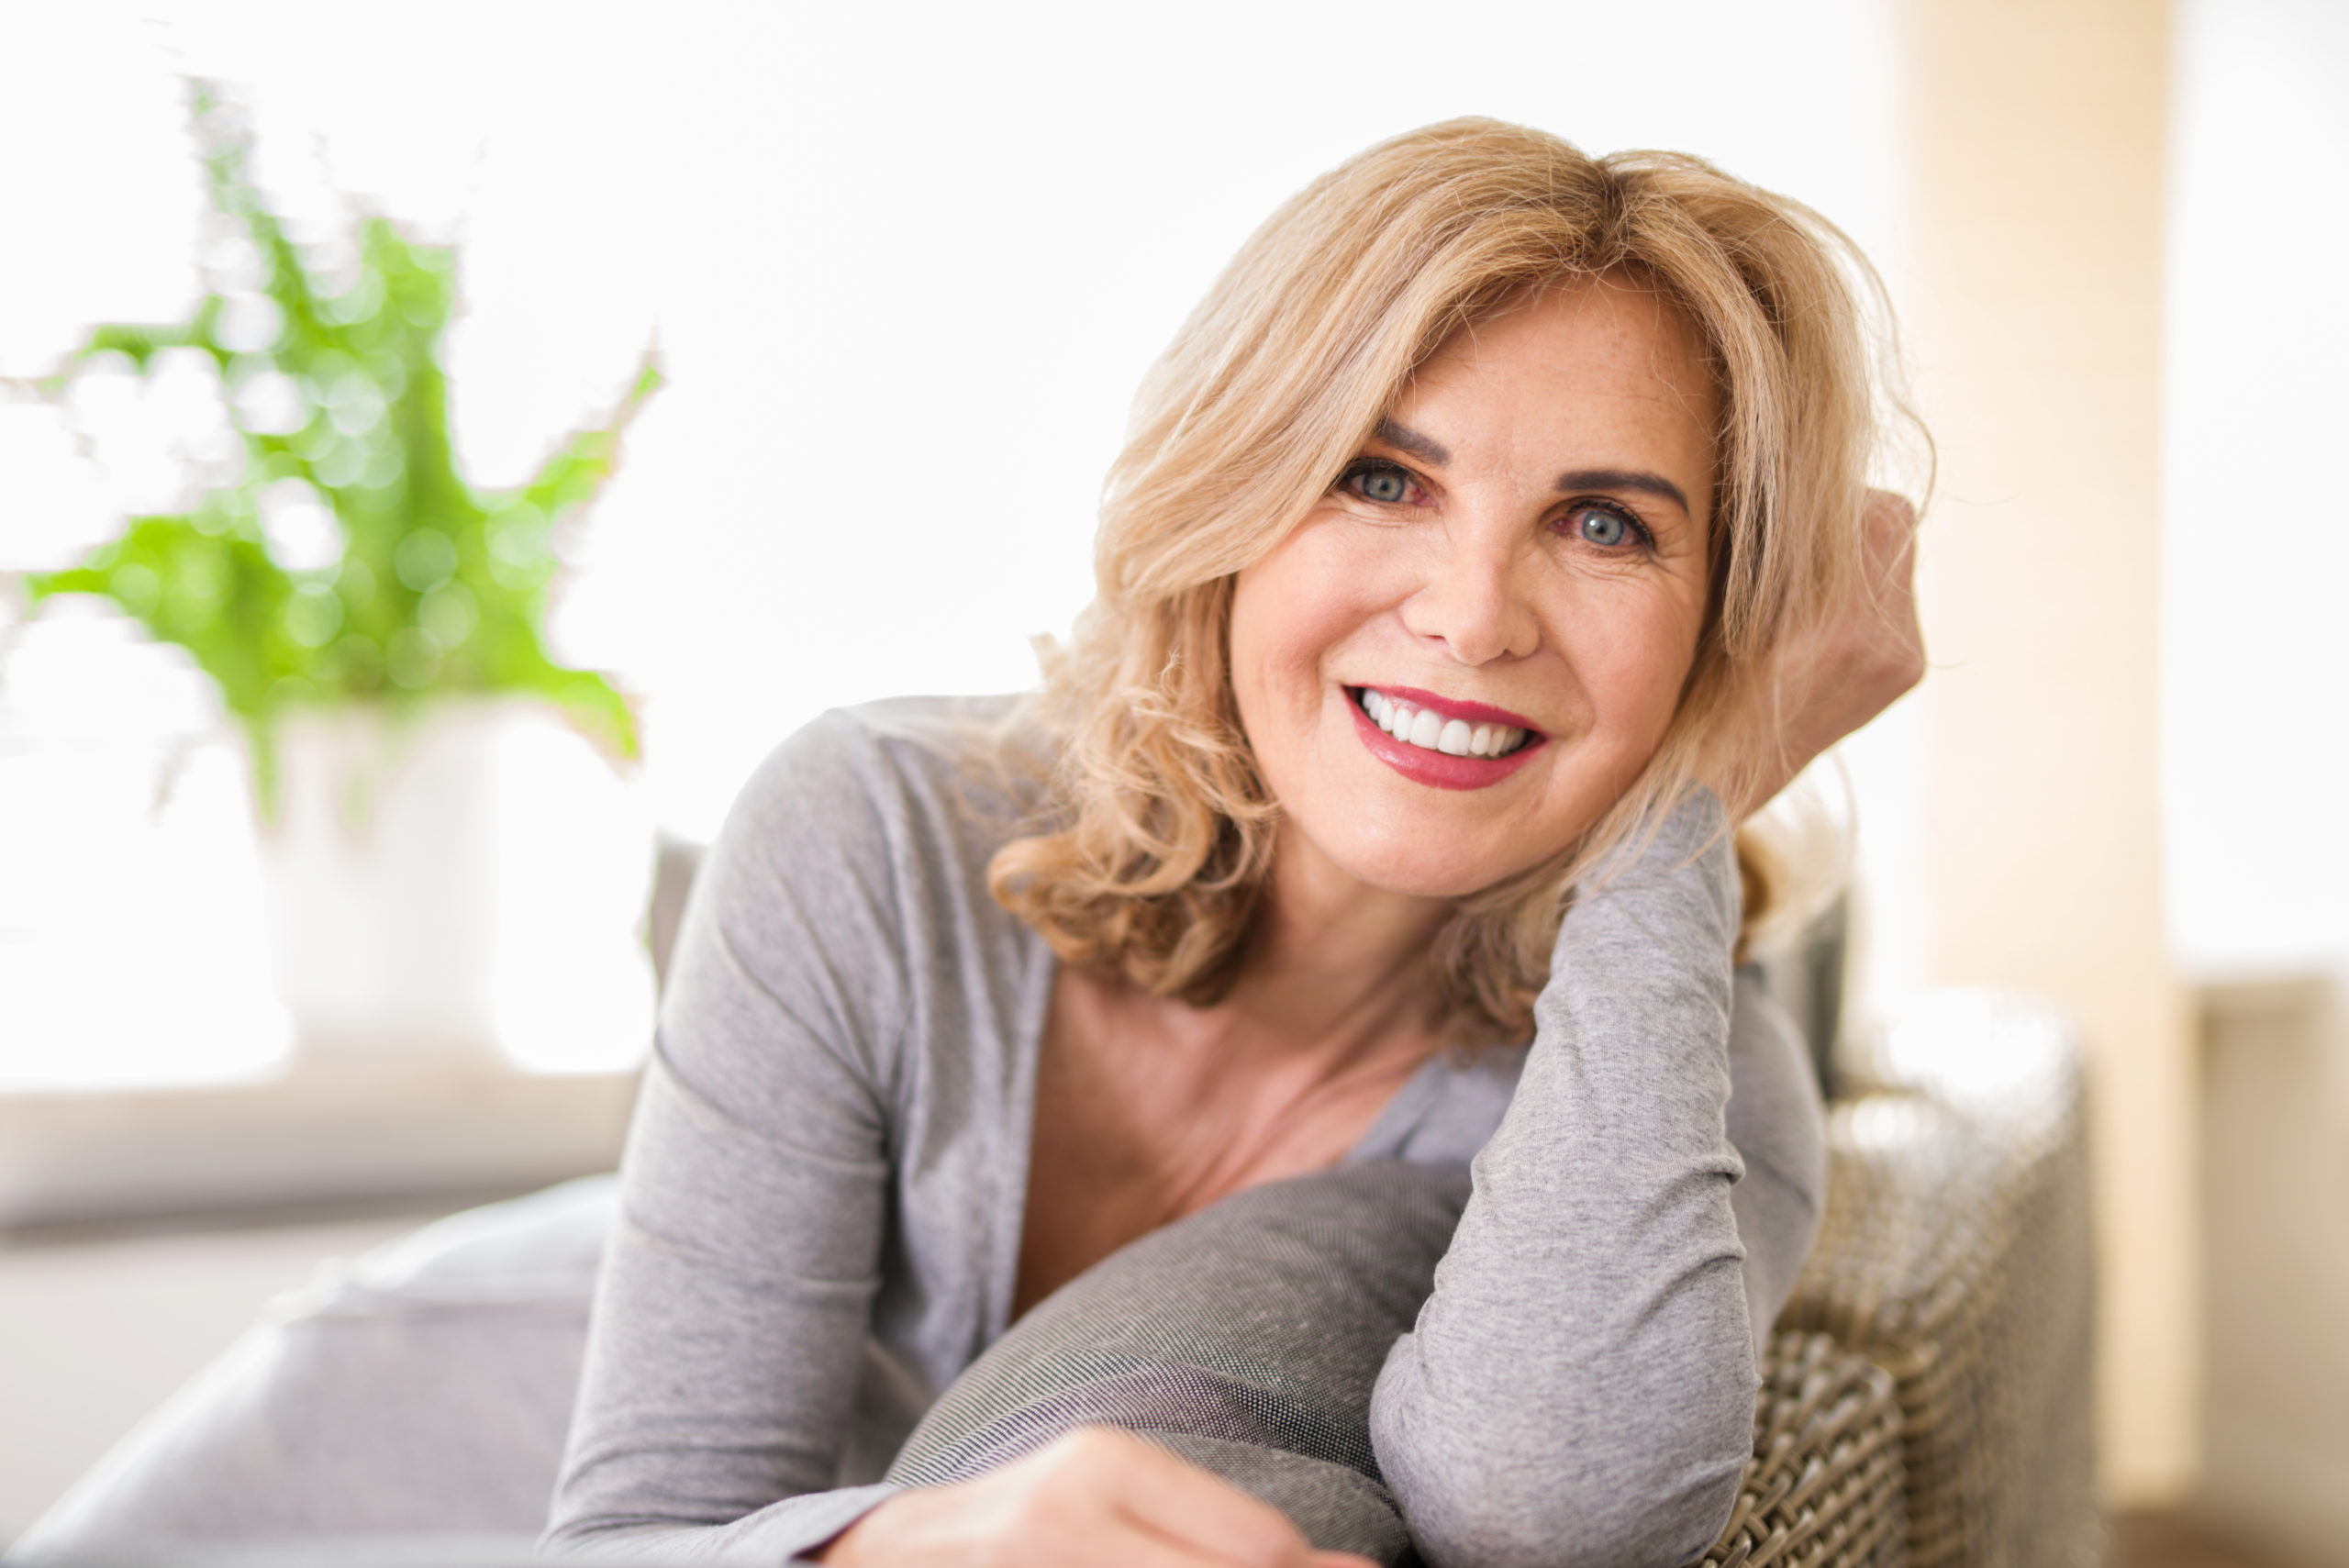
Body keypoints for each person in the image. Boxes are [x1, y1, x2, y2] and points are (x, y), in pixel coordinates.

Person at [542, 117, 1924, 1568]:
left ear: (1726, 619)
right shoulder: (868, 835)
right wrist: (895, 1547)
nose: (1471, 617)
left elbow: (1553, 1510)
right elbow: (627, 1540)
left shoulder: (1679, 1088)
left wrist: (1691, 792)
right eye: (1382, 478)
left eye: (1603, 524)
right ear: (1234, 496)